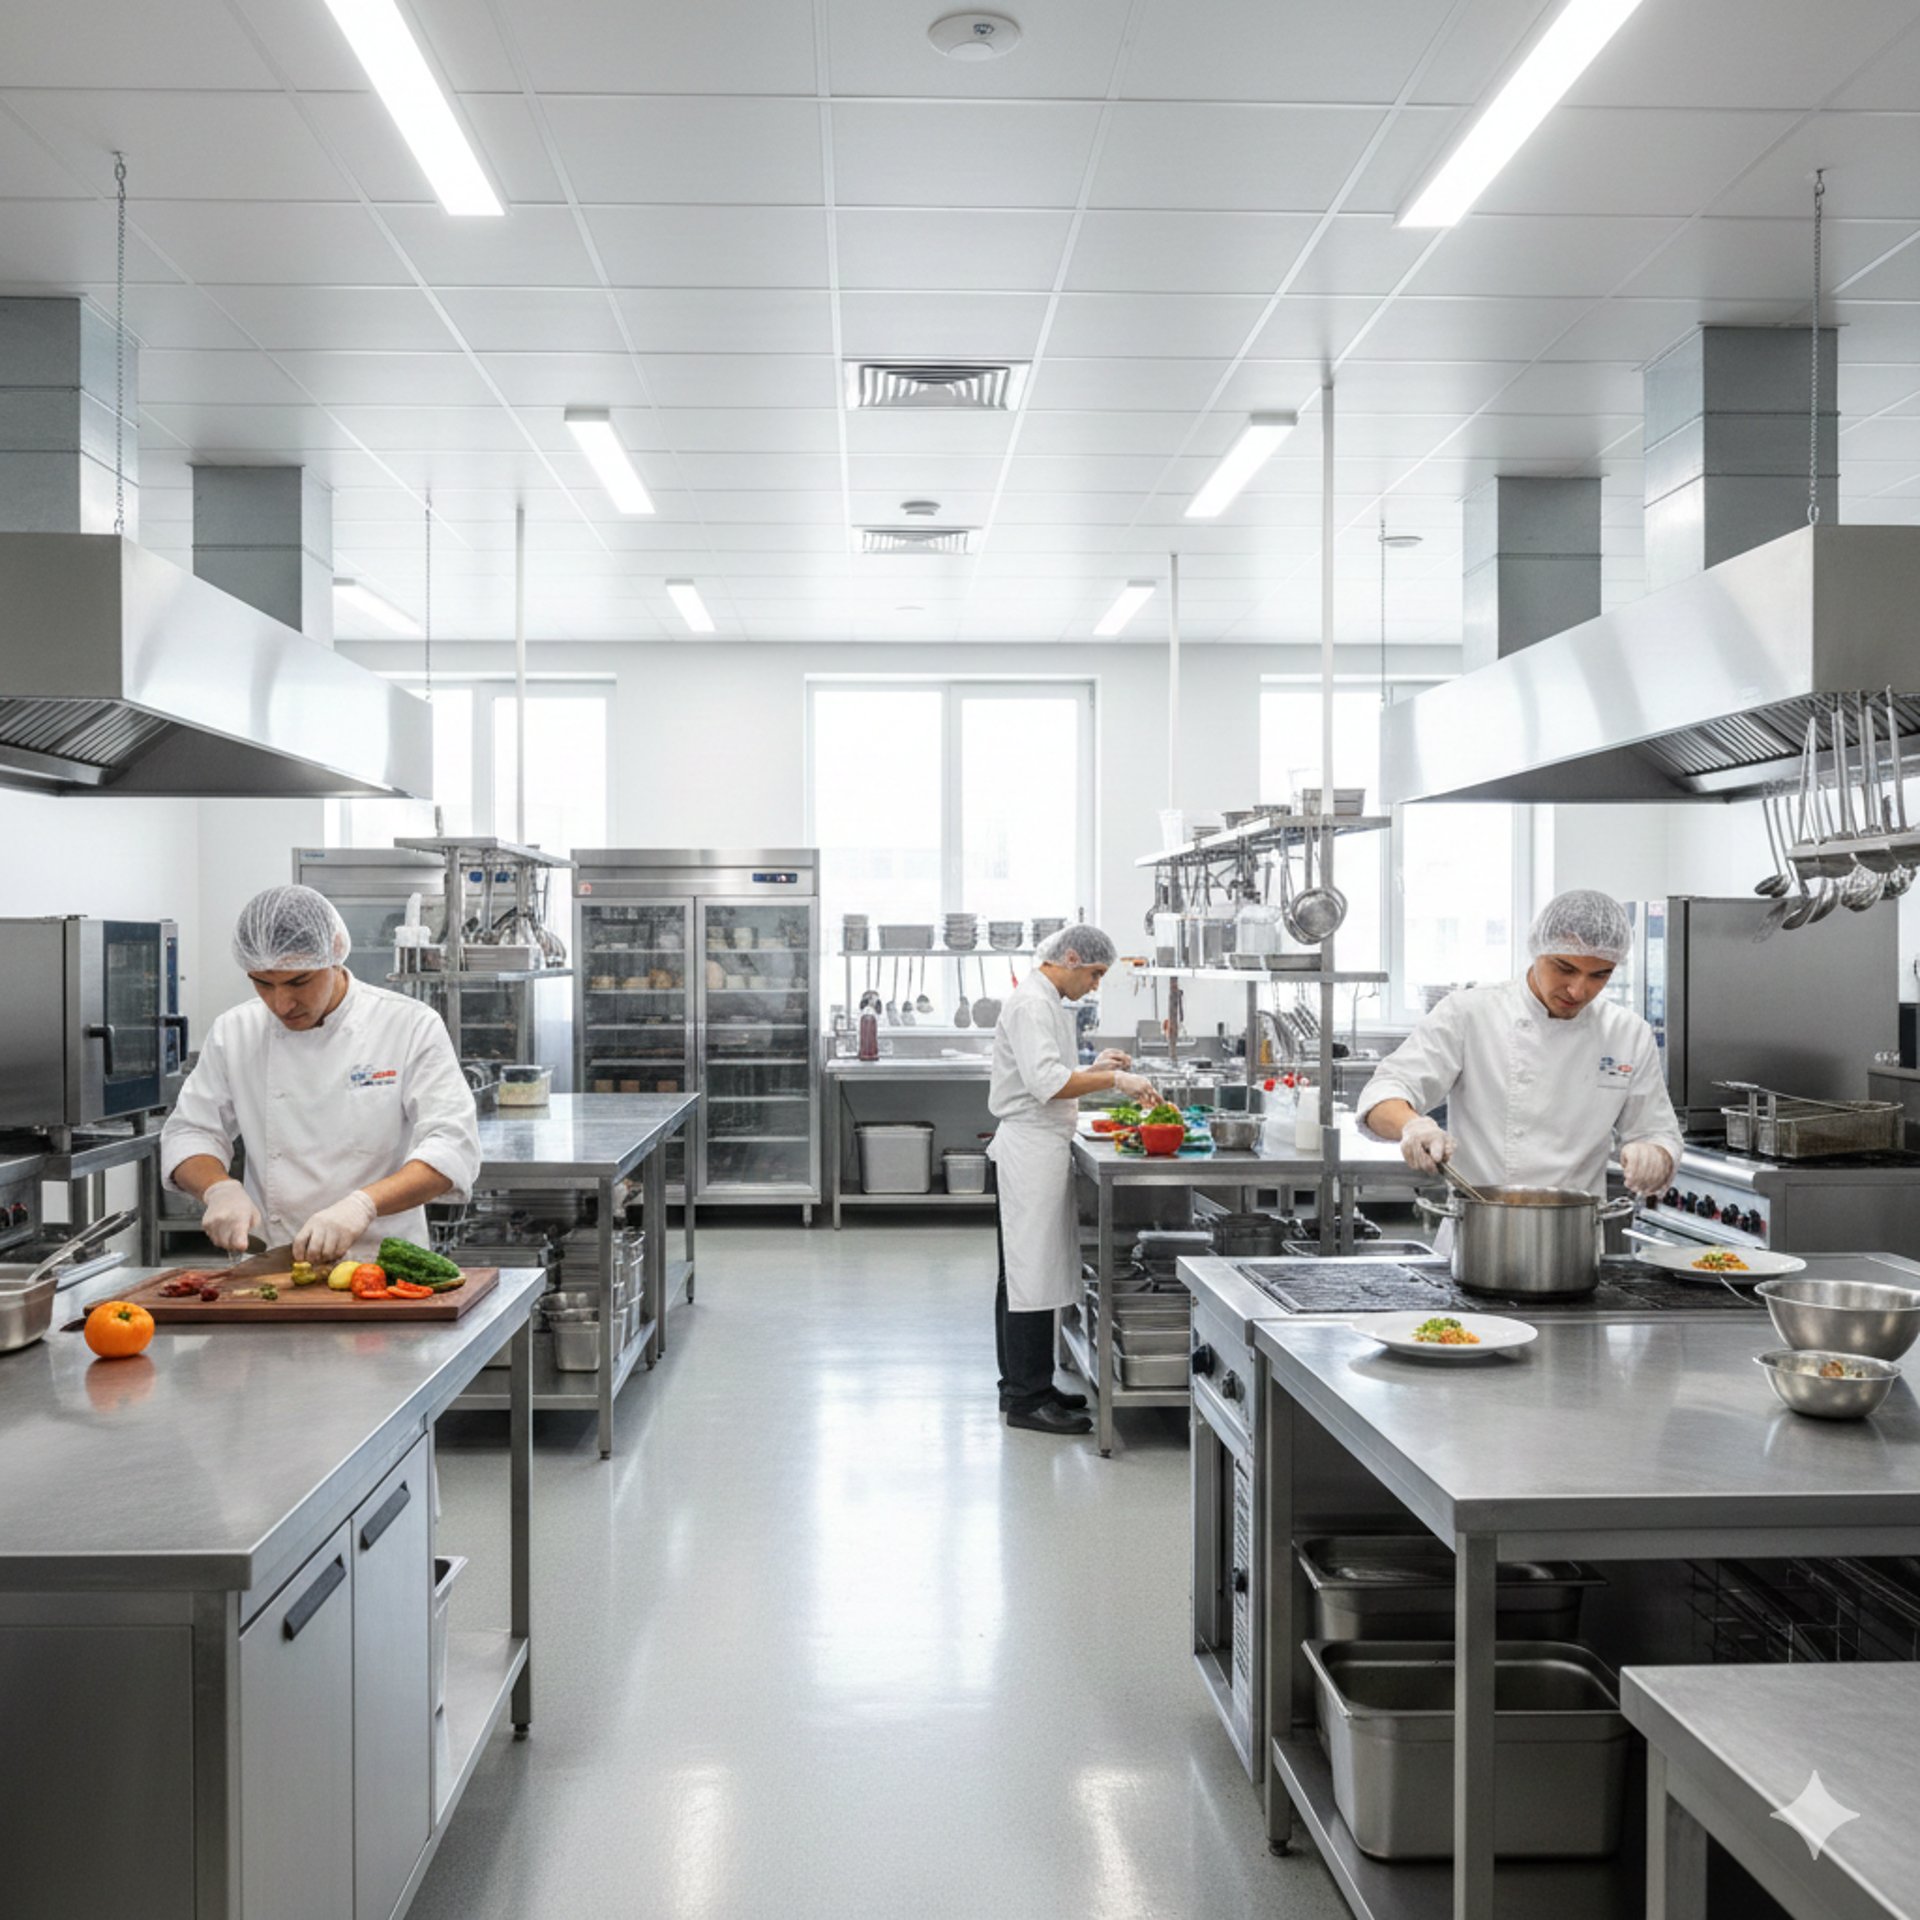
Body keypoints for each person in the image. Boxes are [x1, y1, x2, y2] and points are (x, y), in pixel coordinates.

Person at [161, 885, 482, 1265]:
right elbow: (190, 1131)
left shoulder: (407, 1024)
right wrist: (218, 1188)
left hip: (382, 1268)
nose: (281, 1003)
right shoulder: (235, 1031)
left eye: (298, 982)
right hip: (272, 1269)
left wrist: (363, 1205)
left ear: (335, 952)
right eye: (263, 983)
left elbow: (452, 1145)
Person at [1357, 888, 1681, 1213]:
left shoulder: (1627, 1033)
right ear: (1537, 950)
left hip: (1575, 1236)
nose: (1578, 989)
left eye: (1600, 975)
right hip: (1478, 1232)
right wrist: (1412, 1125)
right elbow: (1385, 1091)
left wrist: (1655, 1152)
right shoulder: (1470, 1013)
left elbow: (1656, 1130)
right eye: (1564, 968)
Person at [987, 924, 1159, 1436]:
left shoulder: (1045, 1001)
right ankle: (1026, 1399)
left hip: (1040, 1146)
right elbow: (1047, 1084)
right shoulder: (1032, 1005)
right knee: (1028, 1276)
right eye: (1095, 974)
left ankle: (1024, 1385)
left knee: (1023, 1275)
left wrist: (1096, 1064)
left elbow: (1055, 1071)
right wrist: (1114, 1079)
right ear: (1070, 956)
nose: (1095, 985)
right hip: (1029, 1149)